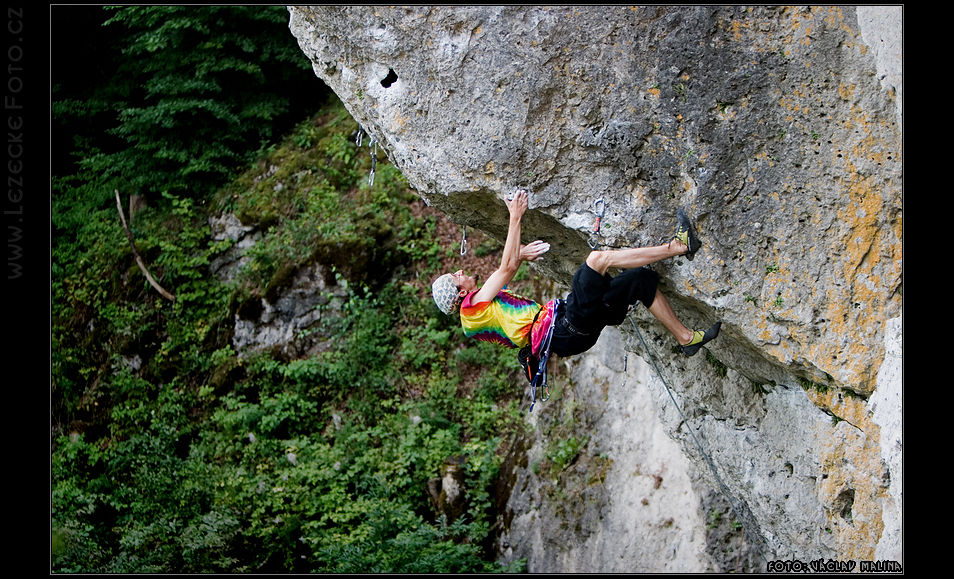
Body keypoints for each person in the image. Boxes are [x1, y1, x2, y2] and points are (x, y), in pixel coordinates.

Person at [431, 188, 720, 377]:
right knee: (596, 261)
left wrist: (519, 255)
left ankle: (686, 339)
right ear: (459, 294)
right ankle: (679, 247)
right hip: (564, 328)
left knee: (640, 281)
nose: (459, 273)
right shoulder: (472, 309)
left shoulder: (476, 313)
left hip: (572, 334)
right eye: (455, 278)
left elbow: (505, 268)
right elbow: (505, 268)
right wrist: (515, 216)